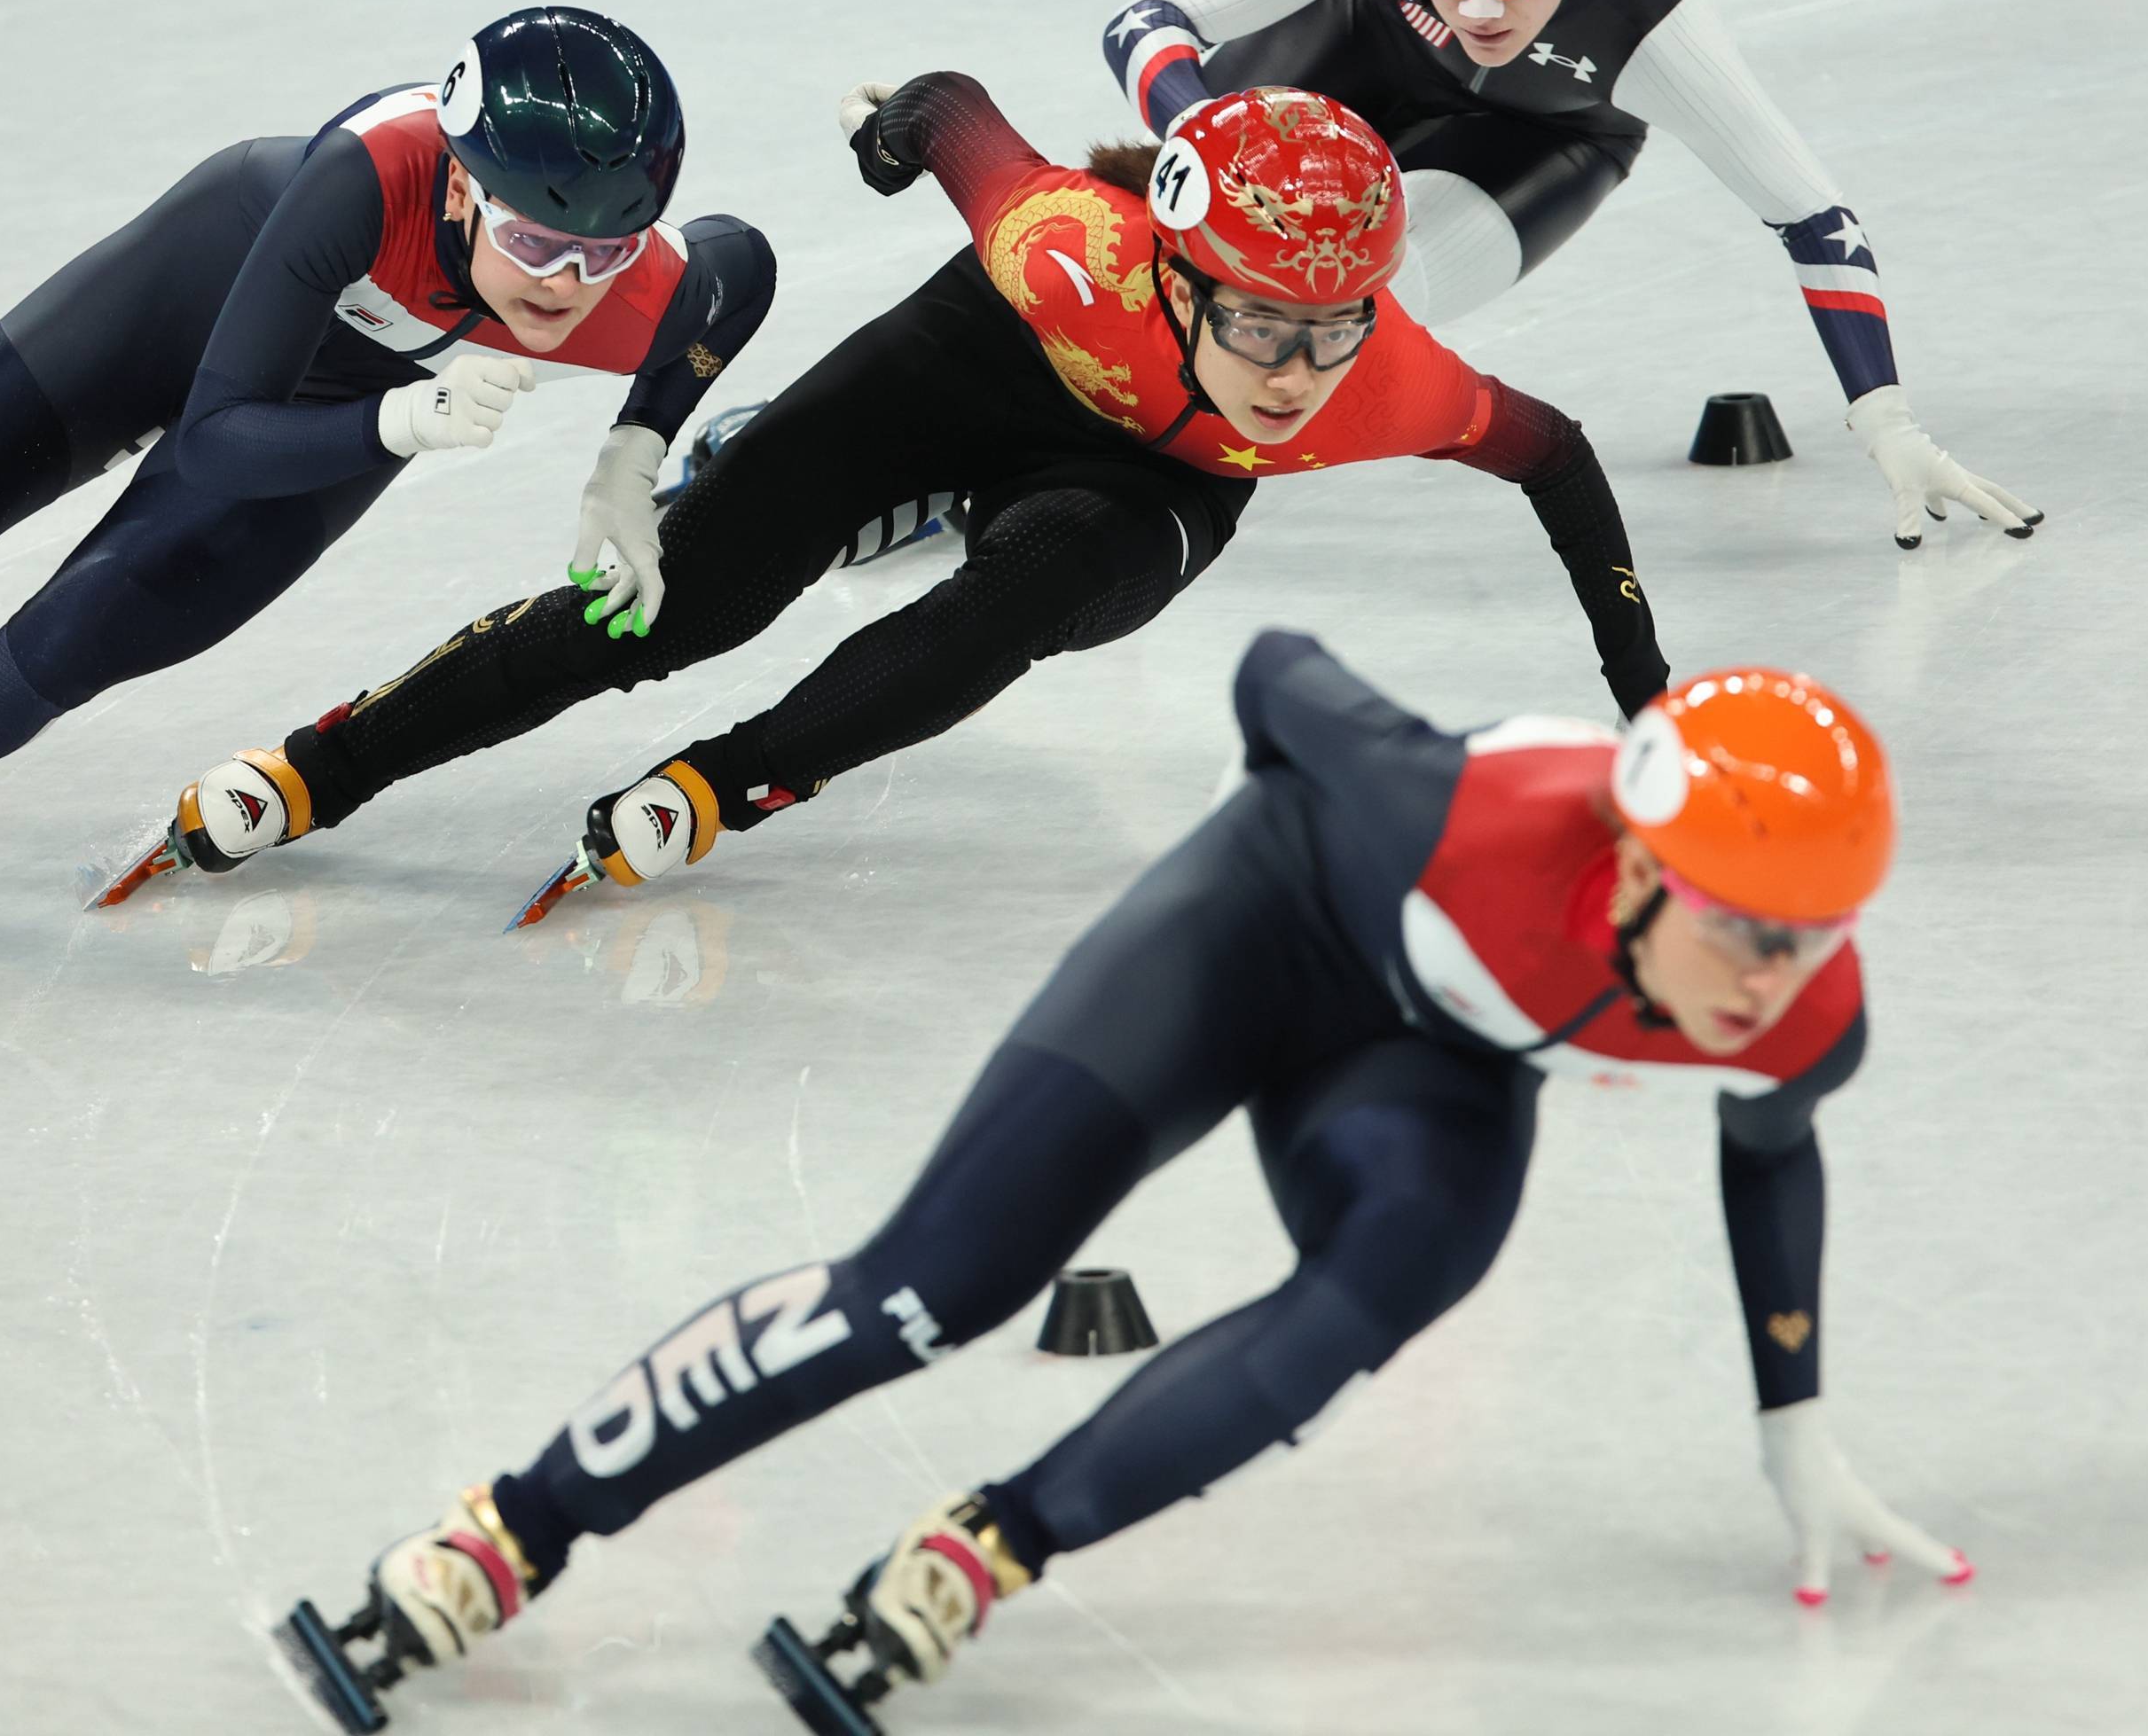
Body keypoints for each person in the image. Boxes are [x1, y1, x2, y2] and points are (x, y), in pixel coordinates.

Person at [278, 629, 1968, 1733]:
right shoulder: (1448, 815)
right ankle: (515, 1527)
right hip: (1265, 923)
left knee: (1402, 1272)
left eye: (1815, 934)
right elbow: (1278, 673)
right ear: (1640, 869)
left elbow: (1773, 1152)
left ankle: (982, 1551)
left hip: (1426, 1059)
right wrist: (1294, 890)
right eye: (1750, 930)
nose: (1777, 975)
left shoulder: (1801, 1015)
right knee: (938, 1285)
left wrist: (1792, 1421)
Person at [119, 74, 1672, 921]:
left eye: (1328, 331)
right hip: (978, 366)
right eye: (1261, 324)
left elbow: (1565, 461)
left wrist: (1644, 698)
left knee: (1034, 584)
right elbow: (952, 116)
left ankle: (740, 779)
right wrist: (888, 138)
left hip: (1144, 484)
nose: (1294, 369)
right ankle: (333, 759)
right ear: (1174, 273)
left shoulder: (1396, 385)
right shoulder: (1066, 247)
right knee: (675, 605)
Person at [0, 8, 772, 915]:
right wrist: (399, 427)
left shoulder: (630, 284)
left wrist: (631, 455)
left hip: (341, 404)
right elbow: (219, 435)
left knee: (67, 646)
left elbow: (741, 266)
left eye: (600, 254)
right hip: (189, 305)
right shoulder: (369, 175)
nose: (562, 288)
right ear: (462, 184)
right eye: (532, 241)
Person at [1101, 0, 2039, 551]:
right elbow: (1146, 22)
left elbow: (1813, 218)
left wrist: (1889, 421)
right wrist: (1203, 135)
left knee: (1355, 302)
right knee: (1149, 233)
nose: (1476, 4)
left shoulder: (1655, 12)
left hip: (1544, 136)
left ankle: (1119, 467)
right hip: (1358, 45)